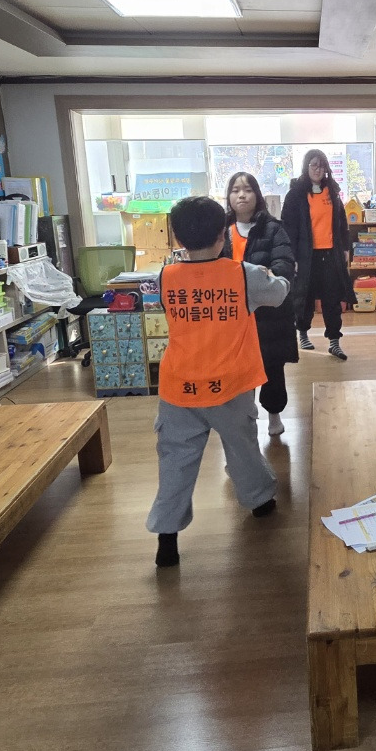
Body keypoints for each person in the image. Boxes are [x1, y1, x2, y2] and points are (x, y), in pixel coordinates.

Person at [146, 195, 290, 569]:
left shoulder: (165, 276)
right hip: (231, 386)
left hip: (179, 388)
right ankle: (260, 501)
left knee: (175, 461)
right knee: (242, 447)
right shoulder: (244, 274)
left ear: (177, 238)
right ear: (222, 235)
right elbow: (278, 294)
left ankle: (167, 537)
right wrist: (276, 276)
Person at [220, 171, 298, 437]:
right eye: (235, 190)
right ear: (229, 196)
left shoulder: (273, 228)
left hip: (268, 313)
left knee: (271, 366)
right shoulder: (221, 230)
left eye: (247, 190)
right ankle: (245, 418)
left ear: (257, 195)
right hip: (233, 313)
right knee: (239, 369)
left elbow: (283, 265)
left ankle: (274, 414)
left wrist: (265, 279)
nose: (241, 195)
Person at [280, 148, 357, 361]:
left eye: (322, 166)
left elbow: (341, 222)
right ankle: (303, 333)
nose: (318, 169)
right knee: (304, 297)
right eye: (314, 165)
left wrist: (345, 248)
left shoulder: (332, 192)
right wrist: (292, 256)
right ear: (306, 167)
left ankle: (334, 341)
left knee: (332, 299)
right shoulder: (295, 194)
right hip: (305, 256)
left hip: (330, 254)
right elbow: (289, 227)